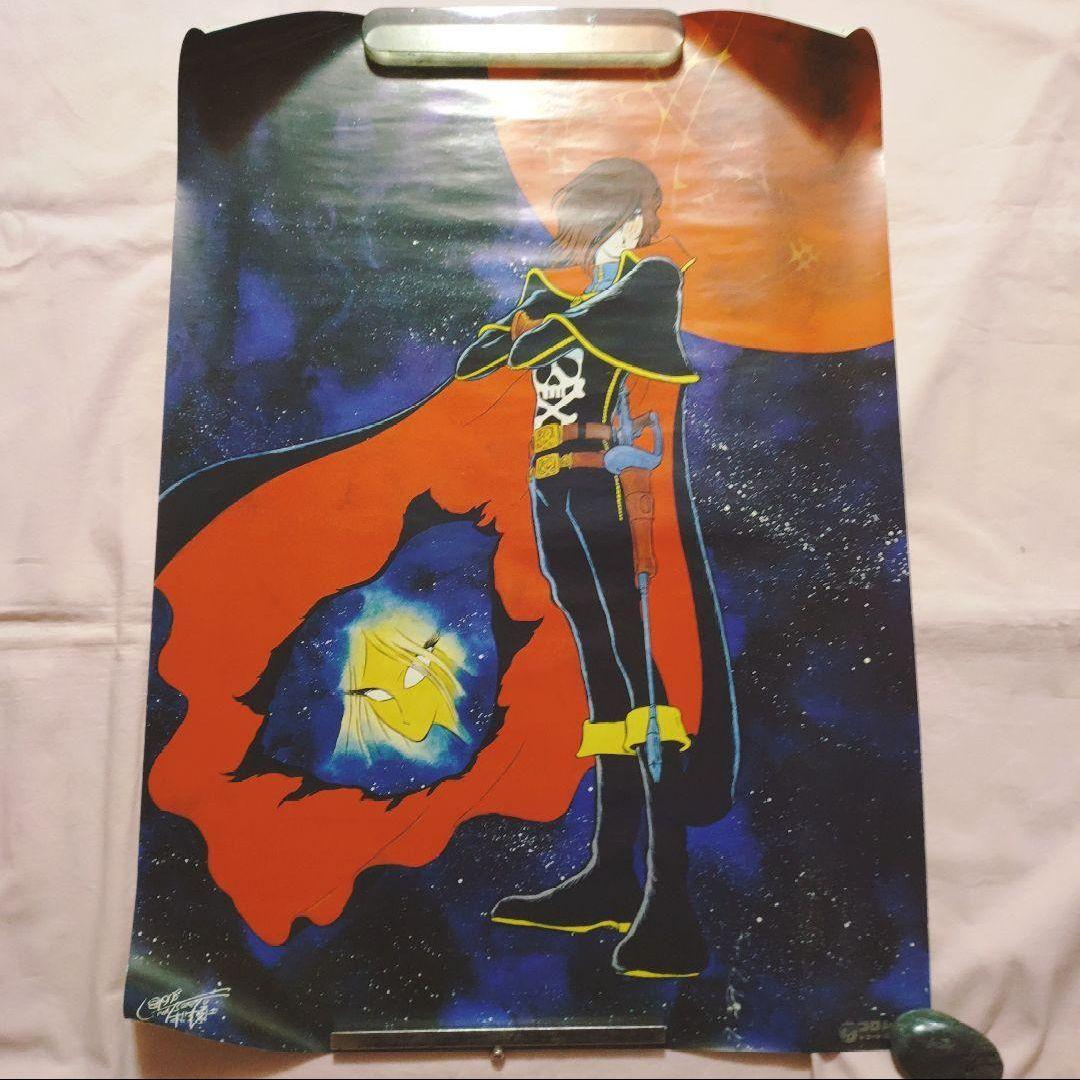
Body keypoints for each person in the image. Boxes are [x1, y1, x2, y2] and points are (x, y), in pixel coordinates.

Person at [455, 157, 716, 978]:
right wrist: (515, 327)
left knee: (639, 679)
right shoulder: (562, 296)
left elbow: (600, 328)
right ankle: (611, 875)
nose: (595, 238)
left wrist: (545, 321)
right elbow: (477, 362)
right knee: (603, 679)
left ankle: (670, 901)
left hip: (612, 492)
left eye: (607, 221)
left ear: (635, 218)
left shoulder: (650, 280)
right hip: (553, 489)